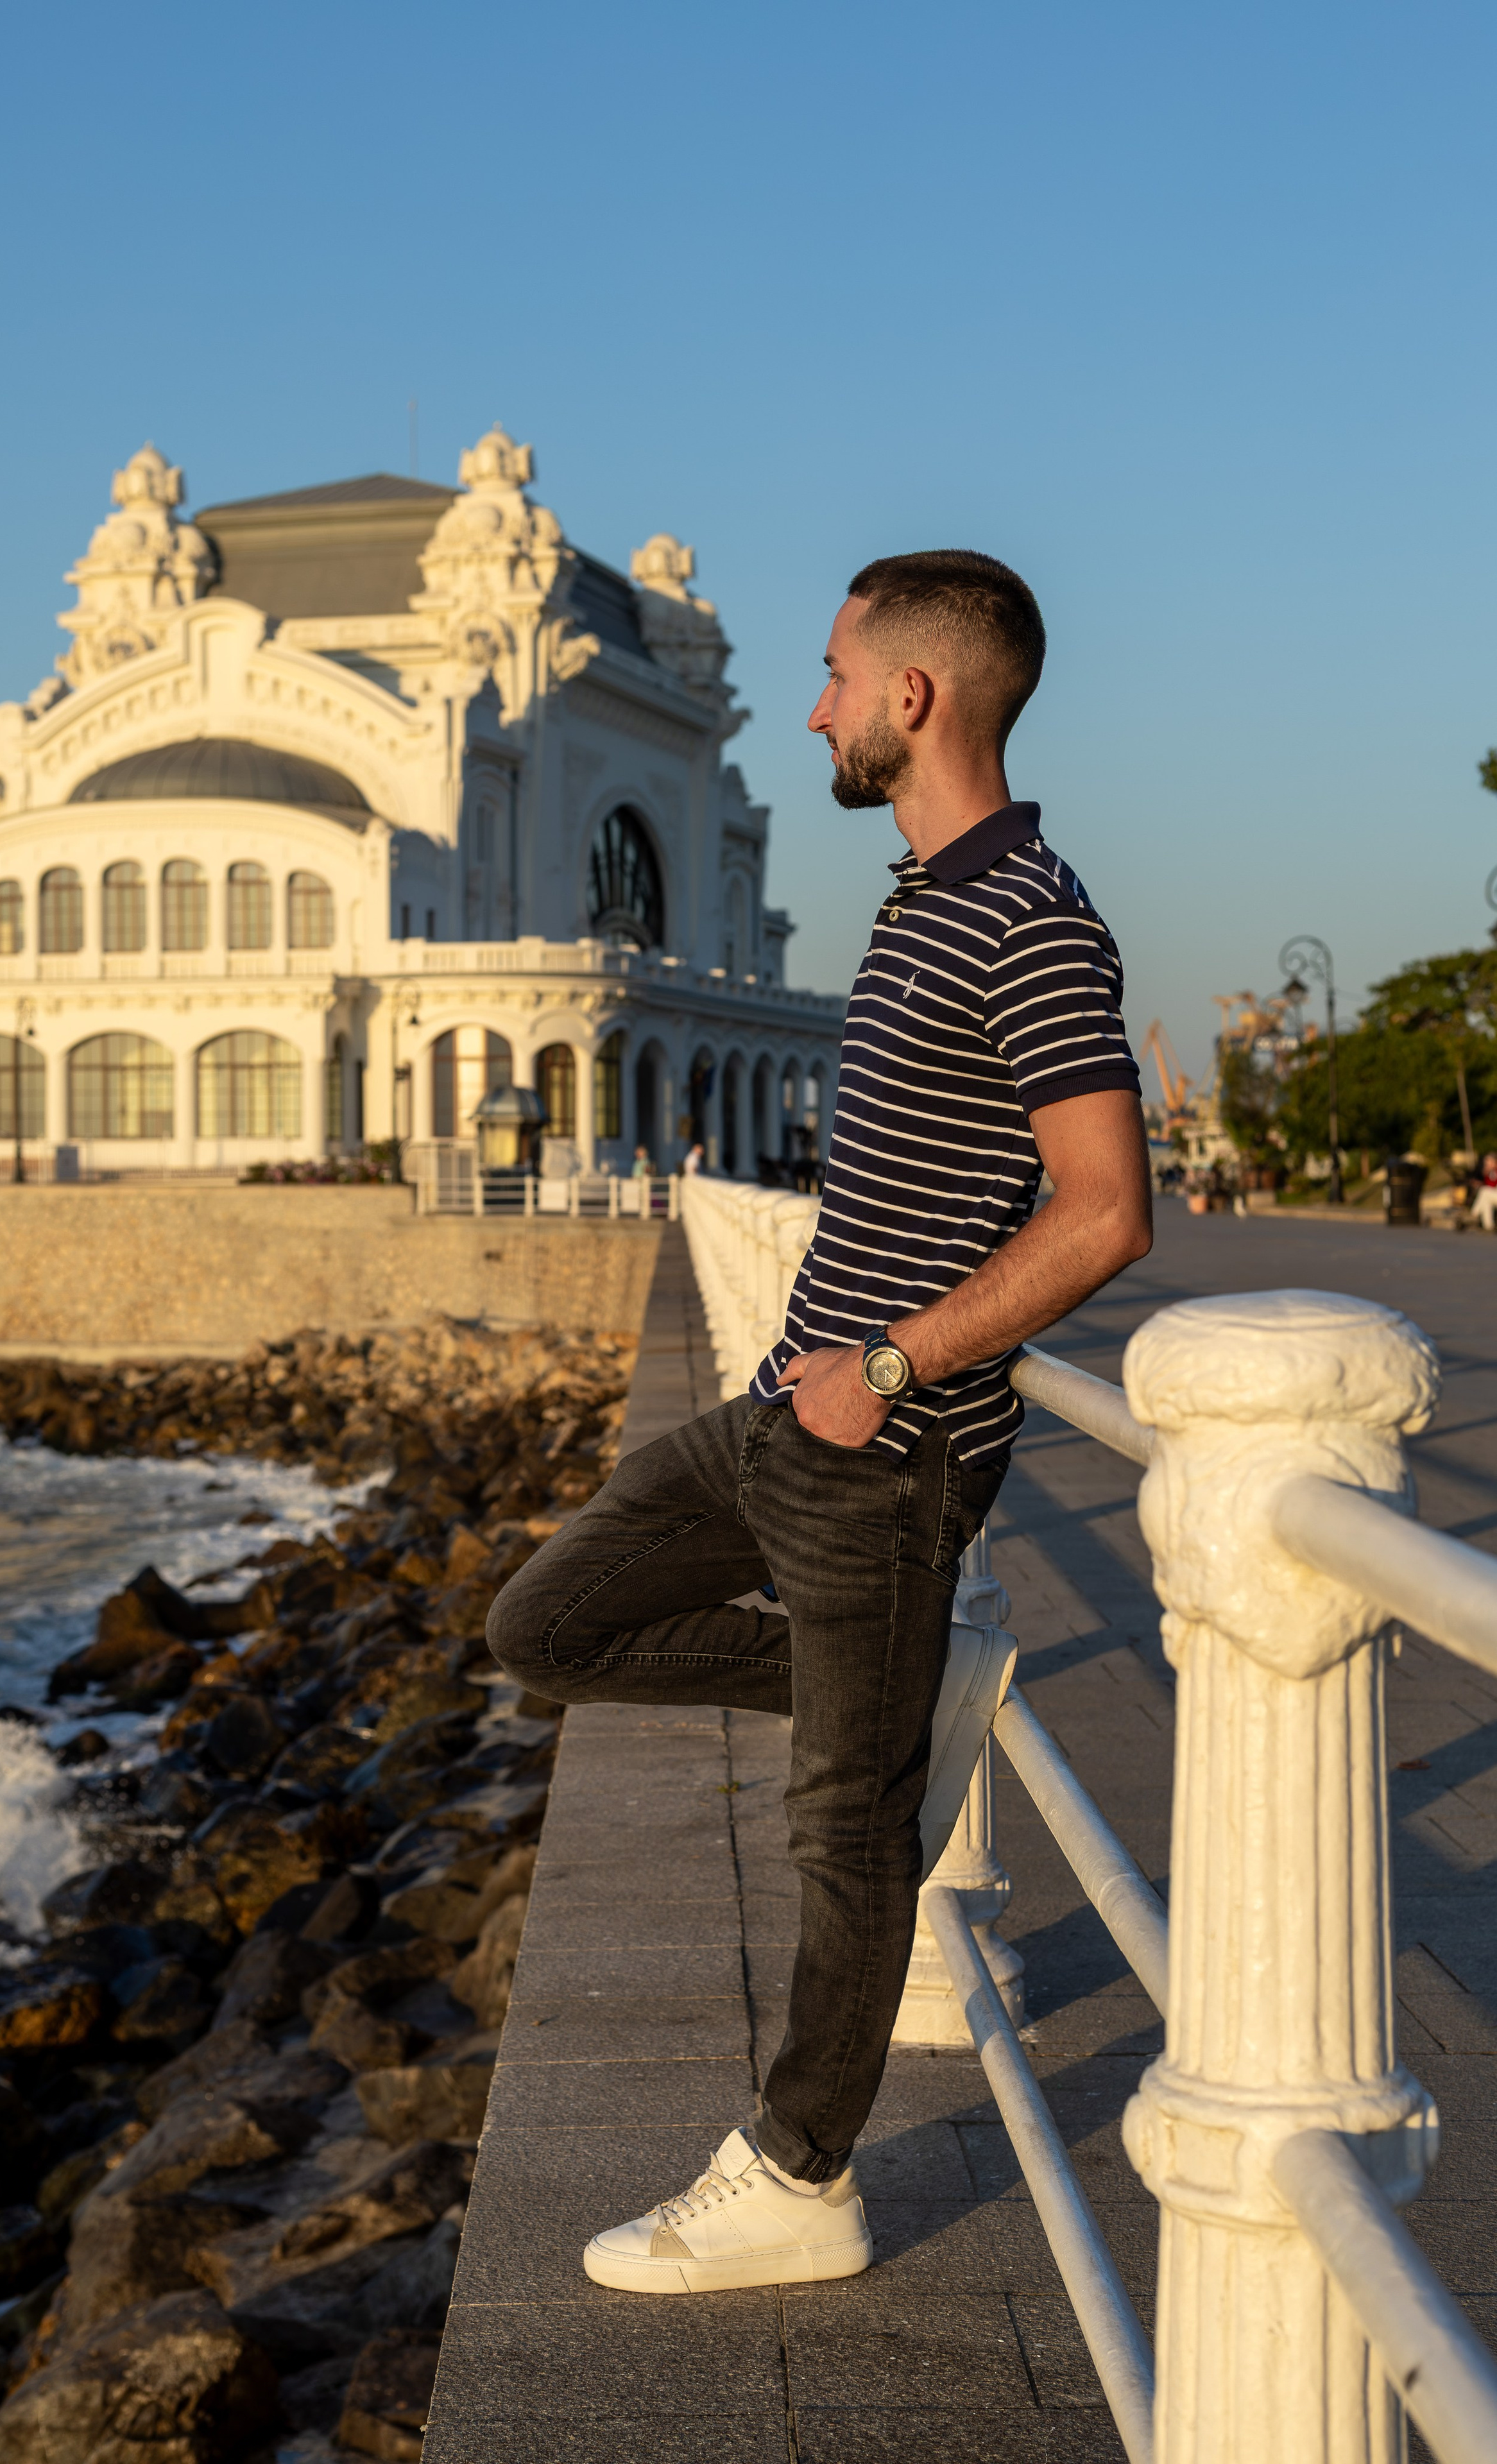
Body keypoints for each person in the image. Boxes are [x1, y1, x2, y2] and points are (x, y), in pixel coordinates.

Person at [487, 549, 1151, 2293]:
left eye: (838, 677)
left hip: (891, 1451)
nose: (812, 710)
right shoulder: (919, 895)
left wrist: (894, 1369)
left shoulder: (1030, 916)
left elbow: (1103, 1209)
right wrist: (819, 1370)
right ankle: (898, 1690)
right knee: (545, 1622)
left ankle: (799, 2178)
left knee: (844, 1828)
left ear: (912, 698)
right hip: (791, 1413)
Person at [1472, 1152, 1497, 1233]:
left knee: (1484, 1192)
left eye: (1488, 1162)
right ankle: (1488, 1226)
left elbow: (1492, 1184)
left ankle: (1474, 1214)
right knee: (1486, 1201)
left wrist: (1486, 1173)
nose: (1486, 1164)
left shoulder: (1494, 1171)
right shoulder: (1491, 1172)